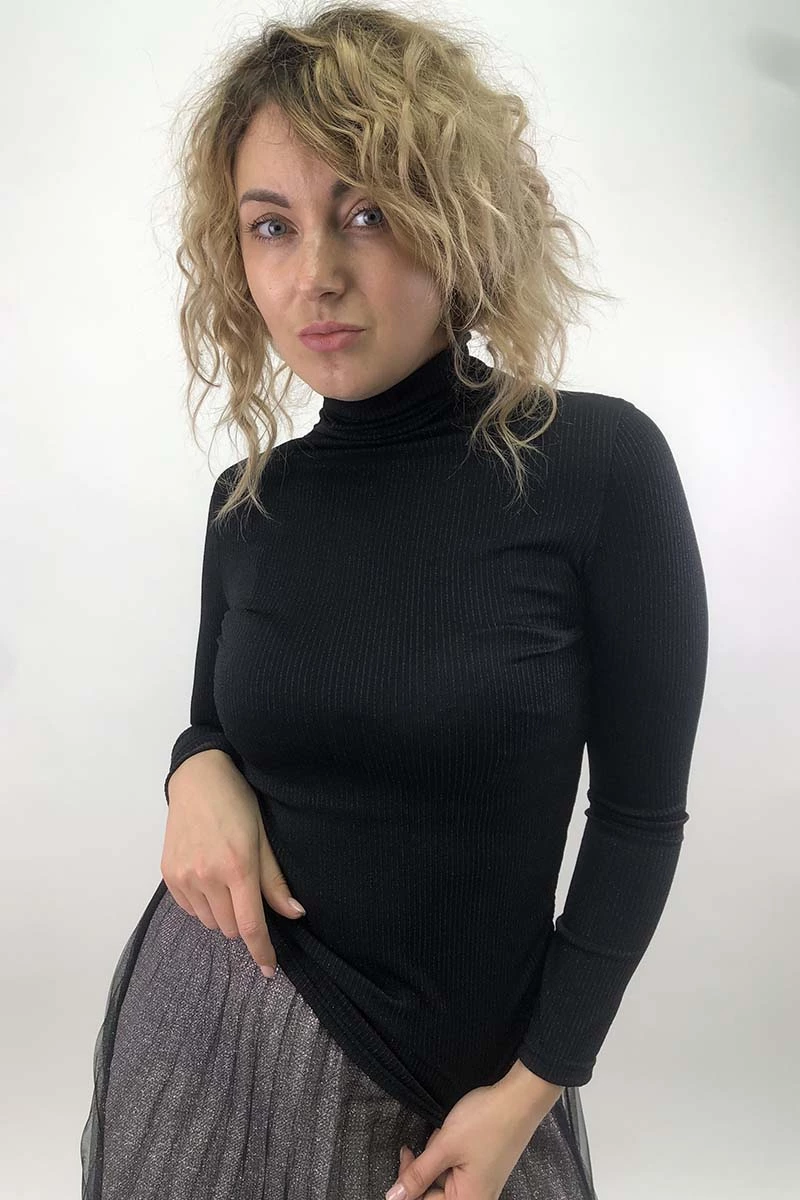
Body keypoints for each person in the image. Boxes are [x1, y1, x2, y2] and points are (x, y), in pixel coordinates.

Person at [80, 4, 709, 1198]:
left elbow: (636, 821)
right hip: (211, 1045)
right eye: (272, 226)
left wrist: (529, 1093)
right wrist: (189, 766)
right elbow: (216, 723)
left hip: (469, 1092)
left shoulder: (596, 468)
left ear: (457, 219)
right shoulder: (247, 504)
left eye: (365, 213)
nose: (315, 273)